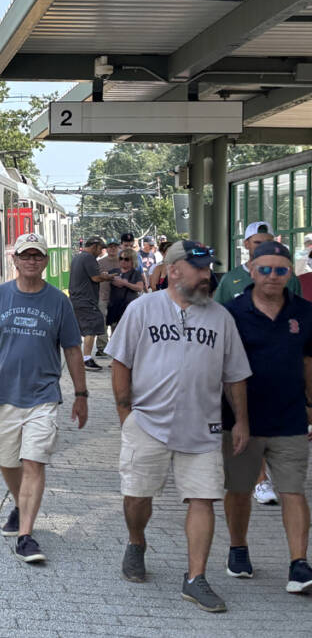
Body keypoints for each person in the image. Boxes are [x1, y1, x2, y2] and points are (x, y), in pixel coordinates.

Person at [107, 240, 251, 612]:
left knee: (204, 498)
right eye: (199, 269)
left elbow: (235, 376)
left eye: (208, 269)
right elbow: (120, 362)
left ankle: (195, 578)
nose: (208, 276)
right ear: (174, 271)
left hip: (202, 428)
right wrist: (126, 415)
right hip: (148, 423)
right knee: (138, 497)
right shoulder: (142, 310)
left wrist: (241, 423)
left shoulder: (221, 318)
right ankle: (136, 541)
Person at [0, 232, 87, 565]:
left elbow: (73, 350)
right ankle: (19, 505)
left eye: (37, 256)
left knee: (34, 462)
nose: (31, 261)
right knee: (8, 462)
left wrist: (81, 394)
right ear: (13, 260)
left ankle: (26, 536)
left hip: (43, 397)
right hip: (3, 396)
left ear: (46, 261)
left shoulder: (59, 301)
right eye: (25, 255)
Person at [221, 240, 312, 594]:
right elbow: (225, 369)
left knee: (293, 491)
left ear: (290, 272)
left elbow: (308, 362)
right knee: (240, 490)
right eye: (265, 269)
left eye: (280, 270)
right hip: (241, 421)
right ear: (252, 270)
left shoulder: (305, 313)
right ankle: (238, 547)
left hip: (290, 419)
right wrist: (236, 418)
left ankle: (299, 564)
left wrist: (310, 406)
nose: (273, 277)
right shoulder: (232, 312)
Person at [214, 221, 301, 304]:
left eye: (268, 243)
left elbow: (300, 314)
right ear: (246, 244)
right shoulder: (230, 278)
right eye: (257, 242)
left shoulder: (289, 278)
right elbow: (218, 314)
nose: (263, 247)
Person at [69, 235, 116, 371]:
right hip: (86, 299)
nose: (101, 251)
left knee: (83, 328)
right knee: (92, 326)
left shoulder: (78, 257)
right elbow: (95, 278)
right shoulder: (89, 258)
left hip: (78, 298)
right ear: (94, 246)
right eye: (100, 248)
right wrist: (108, 276)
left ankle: (79, 358)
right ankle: (86, 359)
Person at [106, 247, 145, 333]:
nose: (123, 261)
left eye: (126, 259)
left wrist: (125, 283)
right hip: (114, 307)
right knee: (115, 333)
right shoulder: (113, 271)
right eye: (121, 258)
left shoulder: (136, 273)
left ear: (132, 260)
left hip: (129, 307)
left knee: (128, 332)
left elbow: (140, 287)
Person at [95, 239, 121, 356]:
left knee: (117, 324)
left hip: (118, 298)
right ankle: (102, 348)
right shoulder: (100, 262)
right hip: (103, 296)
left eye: (115, 246)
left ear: (118, 248)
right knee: (102, 324)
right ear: (106, 248)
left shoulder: (123, 261)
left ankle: (115, 348)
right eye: (110, 246)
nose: (113, 249)